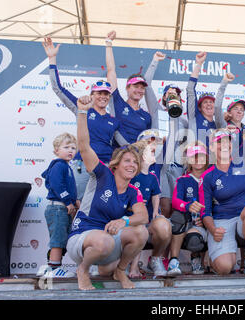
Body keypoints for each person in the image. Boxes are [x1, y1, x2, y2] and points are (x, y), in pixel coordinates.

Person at [66, 95, 149, 290]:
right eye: (127, 161)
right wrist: (82, 112)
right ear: (116, 164)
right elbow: (85, 146)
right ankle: (83, 270)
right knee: (104, 242)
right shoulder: (102, 174)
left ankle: (120, 270)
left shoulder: (132, 190)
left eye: (135, 162)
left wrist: (124, 221)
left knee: (140, 232)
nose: (132, 165)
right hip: (82, 237)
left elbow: (143, 216)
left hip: (106, 241)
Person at [43, 37, 126, 200]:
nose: (103, 97)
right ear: (92, 95)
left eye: (106, 94)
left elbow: (125, 144)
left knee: (101, 206)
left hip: (105, 168)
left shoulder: (113, 120)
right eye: (99, 93)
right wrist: (52, 59)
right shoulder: (81, 107)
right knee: (79, 204)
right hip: (82, 165)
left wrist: (145, 146)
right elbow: (58, 89)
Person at [198, 81, 245, 276]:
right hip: (222, 221)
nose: (224, 145)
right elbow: (205, 211)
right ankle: (213, 257)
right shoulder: (207, 176)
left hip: (244, 220)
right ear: (211, 147)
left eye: (227, 141)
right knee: (225, 268)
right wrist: (212, 228)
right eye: (219, 143)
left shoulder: (241, 160)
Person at [143, 51, 188, 220]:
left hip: (176, 166)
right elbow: (146, 84)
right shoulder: (156, 111)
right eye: (169, 93)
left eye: (176, 93)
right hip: (158, 164)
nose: (172, 95)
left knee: (175, 207)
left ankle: (170, 243)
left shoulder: (184, 121)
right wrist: (154, 61)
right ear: (163, 97)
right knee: (163, 205)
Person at [127, 139, 172, 278]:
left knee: (162, 226)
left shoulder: (152, 177)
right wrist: (133, 206)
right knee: (139, 229)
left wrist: (155, 212)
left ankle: (154, 260)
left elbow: (156, 195)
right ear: (141, 156)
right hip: (133, 219)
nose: (155, 153)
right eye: (151, 151)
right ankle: (132, 267)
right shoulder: (132, 175)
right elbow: (125, 196)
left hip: (148, 219)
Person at [40, 132, 80, 278]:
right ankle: (54, 269)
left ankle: (52, 266)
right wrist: (68, 202)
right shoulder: (59, 166)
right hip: (58, 208)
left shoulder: (67, 166)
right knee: (58, 239)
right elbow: (58, 186)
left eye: (73, 148)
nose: (70, 150)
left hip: (62, 208)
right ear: (56, 150)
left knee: (62, 238)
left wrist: (75, 201)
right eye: (66, 147)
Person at [168, 141, 210, 276]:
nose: (198, 160)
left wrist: (205, 218)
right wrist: (188, 206)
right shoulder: (183, 180)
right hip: (187, 221)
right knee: (177, 217)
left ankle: (197, 259)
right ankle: (173, 261)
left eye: (201, 156)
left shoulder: (212, 177)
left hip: (206, 221)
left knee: (196, 238)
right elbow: (175, 201)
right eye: (194, 157)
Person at [105, 31, 152, 144]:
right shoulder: (118, 103)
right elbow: (111, 71)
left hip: (137, 158)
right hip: (118, 156)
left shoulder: (146, 116)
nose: (139, 90)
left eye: (142, 88)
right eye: (136, 86)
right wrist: (108, 44)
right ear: (127, 87)